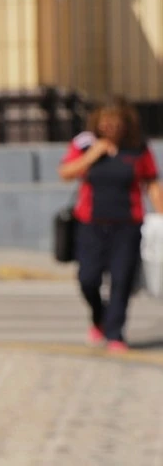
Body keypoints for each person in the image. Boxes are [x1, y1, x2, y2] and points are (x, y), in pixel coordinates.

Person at [58, 98, 163, 352]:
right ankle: (99, 317)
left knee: (121, 280)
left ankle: (116, 333)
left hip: (127, 225)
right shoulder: (85, 144)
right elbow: (65, 173)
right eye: (106, 122)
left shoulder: (138, 148)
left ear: (126, 124)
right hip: (91, 224)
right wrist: (93, 155)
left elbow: (151, 183)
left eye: (116, 123)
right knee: (88, 279)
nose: (111, 127)